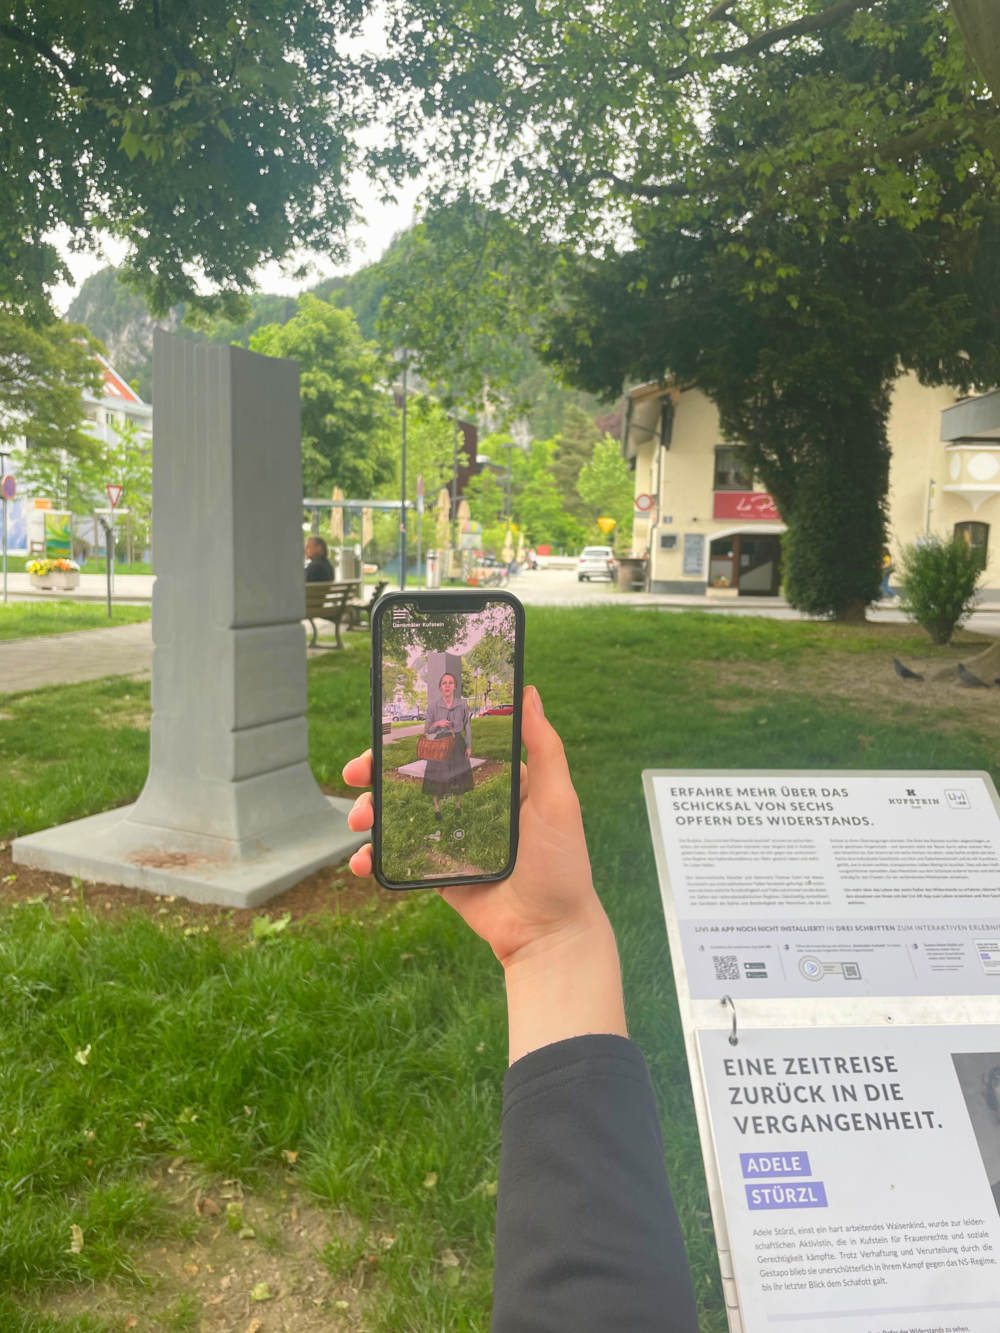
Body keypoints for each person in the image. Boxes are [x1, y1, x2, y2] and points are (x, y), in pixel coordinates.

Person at [342, 685, 700, 1332]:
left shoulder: (457, 707)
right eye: (441, 687)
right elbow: (597, 1290)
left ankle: (456, 814)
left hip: (464, 776)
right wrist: (554, 939)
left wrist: (553, 937)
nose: (445, 690)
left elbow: (592, 1293)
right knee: (434, 790)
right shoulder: (439, 709)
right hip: (460, 792)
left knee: (453, 789)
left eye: (448, 686)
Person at [422, 671, 474, 822]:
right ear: (440, 687)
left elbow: (467, 726)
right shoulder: (433, 707)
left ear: (455, 686)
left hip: (457, 743)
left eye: (450, 683)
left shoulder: (462, 705)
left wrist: (468, 746)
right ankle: (437, 808)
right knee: (437, 777)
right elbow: (427, 730)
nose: (447, 686)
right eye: (444, 683)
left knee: (459, 776)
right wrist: (437, 723)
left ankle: (457, 805)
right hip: (439, 745)